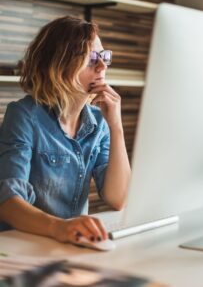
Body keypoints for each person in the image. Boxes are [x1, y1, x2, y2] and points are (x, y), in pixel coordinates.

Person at [0, 16, 131, 244]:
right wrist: (60, 227)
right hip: (26, 243)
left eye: (104, 57)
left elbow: (118, 198)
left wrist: (116, 127)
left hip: (71, 242)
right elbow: (8, 203)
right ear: (59, 65)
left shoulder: (99, 123)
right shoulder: (23, 115)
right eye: (91, 58)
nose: (102, 66)